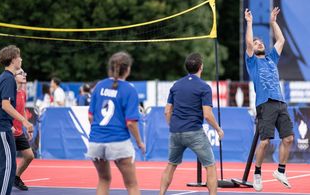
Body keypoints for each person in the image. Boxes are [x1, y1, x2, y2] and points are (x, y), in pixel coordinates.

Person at [159, 53, 224, 195]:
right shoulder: (204, 87)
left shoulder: (176, 85)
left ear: (186, 67)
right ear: (201, 67)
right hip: (194, 131)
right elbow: (207, 114)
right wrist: (218, 129)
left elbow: (167, 111)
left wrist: (173, 126)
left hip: (175, 131)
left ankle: (161, 193)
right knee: (210, 166)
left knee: (171, 165)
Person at [244, 7, 294, 191]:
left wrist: (273, 22)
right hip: (265, 104)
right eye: (256, 43)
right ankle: (257, 173)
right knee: (265, 141)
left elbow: (281, 40)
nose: (259, 44)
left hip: (280, 102)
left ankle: (280, 171)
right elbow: (249, 43)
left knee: (288, 138)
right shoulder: (252, 61)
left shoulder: (271, 58)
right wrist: (249, 22)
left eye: (260, 43)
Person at [86, 51, 145, 195]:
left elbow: (90, 117)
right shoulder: (129, 89)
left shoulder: (99, 86)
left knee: (104, 180)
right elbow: (131, 123)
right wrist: (139, 142)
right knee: (132, 184)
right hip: (118, 141)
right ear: (128, 69)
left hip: (96, 141)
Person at [0, 45, 33, 195]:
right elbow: (6, 105)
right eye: (19, 57)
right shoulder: (8, 79)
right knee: (8, 167)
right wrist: (25, 122)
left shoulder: (4, 78)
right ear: (13, 60)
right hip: (1, 127)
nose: (21, 59)